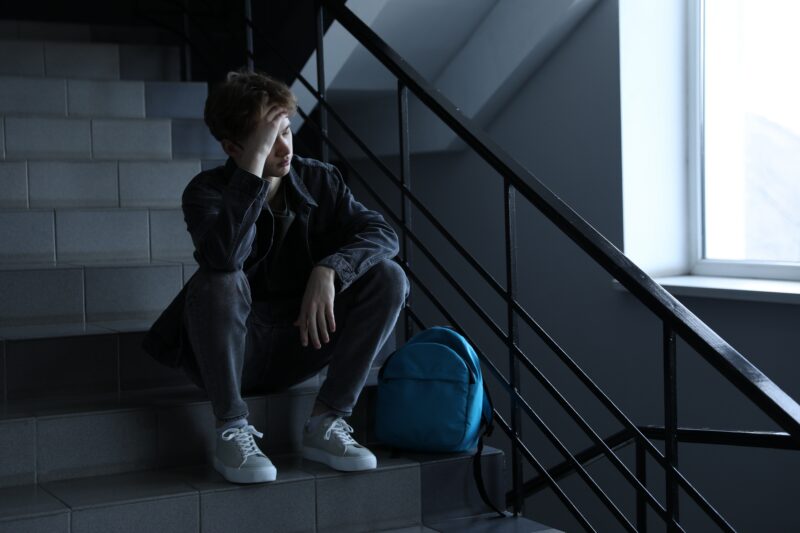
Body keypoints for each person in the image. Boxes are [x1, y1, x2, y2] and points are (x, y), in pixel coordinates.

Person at [141, 69, 409, 484]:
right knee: (218, 279)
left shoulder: (319, 179)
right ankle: (231, 427)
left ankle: (326, 421)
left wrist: (330, 270)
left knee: (389, 277)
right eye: (269, 140)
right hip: (236, 354)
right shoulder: (205, 192)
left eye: (286, 131)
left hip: (304, 338)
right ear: (232, 148)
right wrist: (252, 174)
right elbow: (225, 258)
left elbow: (383, 234)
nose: (285, 147)